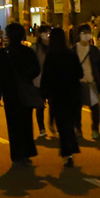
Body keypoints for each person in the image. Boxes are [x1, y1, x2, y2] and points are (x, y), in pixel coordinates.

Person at [0, 22, 41, 168]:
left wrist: (0, 88)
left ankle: (17, 154)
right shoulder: (28, 52)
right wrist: (26, 78)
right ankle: (27, 153)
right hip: (25, 90)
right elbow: (36, 69)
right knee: (26, 123)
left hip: (10, 94)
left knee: (13, 125)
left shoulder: (3, 53)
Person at [41, 27, 83, 167]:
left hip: (57, 95)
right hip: (72, 93)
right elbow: (80, 73)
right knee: (69, 124)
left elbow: (46, 77)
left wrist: (43, 94)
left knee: (62, 125)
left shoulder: (51, 56)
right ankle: (69, 150)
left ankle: (67, 153)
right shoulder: (71, 54)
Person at [76, 23, 100, 140]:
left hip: (92, 82)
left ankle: (95, 130)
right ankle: (78, 129)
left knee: (95, 108)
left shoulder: (94, 50)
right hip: (78, 83)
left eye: (88, 33)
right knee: (77, 109)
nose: (86, 35)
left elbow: (99, 68)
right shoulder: (74, 50)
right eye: (84, 33)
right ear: (79, 35)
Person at [32, 25, 52, 138]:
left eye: (48, 33)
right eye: (44, 33)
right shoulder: (36, 48)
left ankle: (52, 124)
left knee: (54, 105)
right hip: (38, 81)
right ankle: (42, 128)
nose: (46, 35)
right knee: (40, 106)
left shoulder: (54, 47)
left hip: (51, 80)